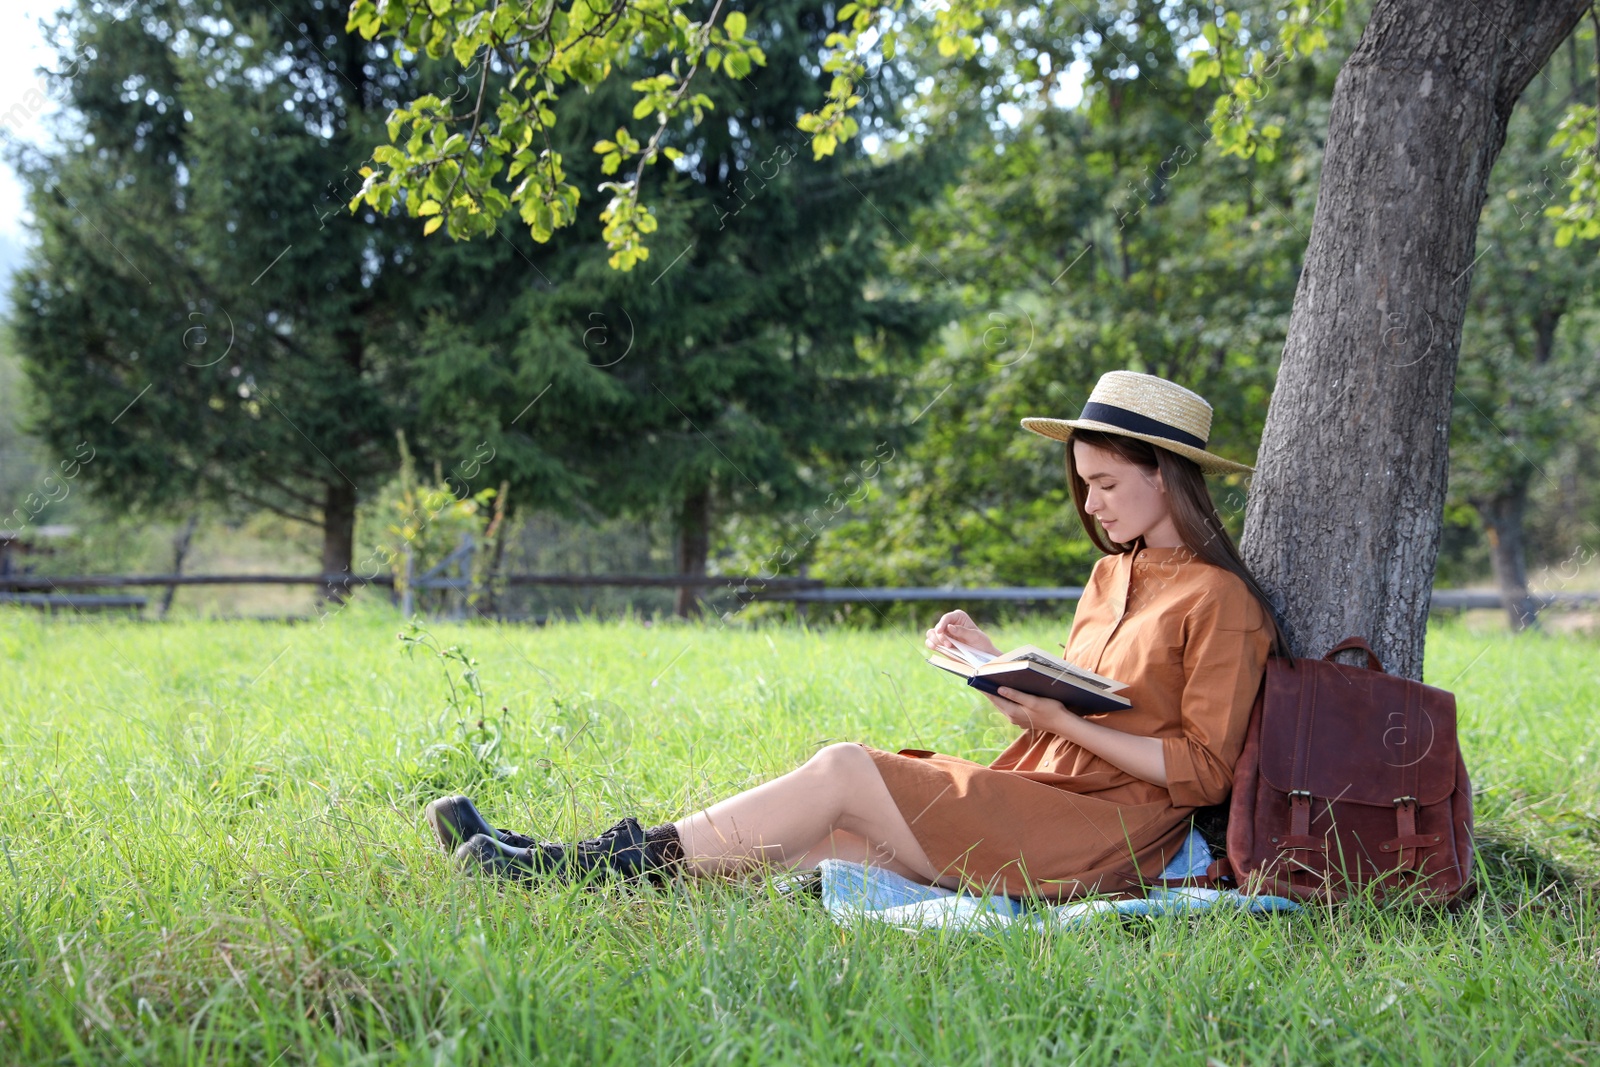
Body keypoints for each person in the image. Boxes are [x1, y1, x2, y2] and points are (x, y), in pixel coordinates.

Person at [427, 370, 1291, 900]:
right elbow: (1074, 713)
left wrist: (1064, 723)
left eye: (1104, 485)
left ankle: (575, 867)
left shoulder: (1222, 602)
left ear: (1164, 476)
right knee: (837, 840)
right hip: (1040, 788)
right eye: (1085, 486)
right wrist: (994, 668)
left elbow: (1203, 770)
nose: (1092, 507)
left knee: (845, 768)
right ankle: (576, 870)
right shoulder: (1112, 575)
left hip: (1107, 831)